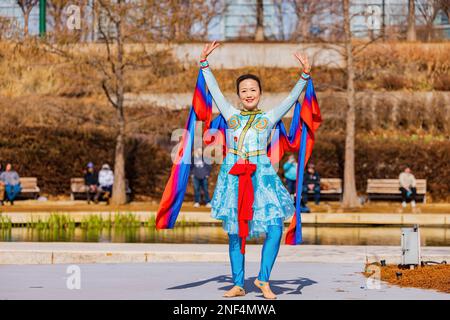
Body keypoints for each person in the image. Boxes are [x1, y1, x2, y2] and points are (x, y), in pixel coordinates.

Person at [200, 41, 311, 299]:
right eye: (243, 90)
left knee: (275, 228)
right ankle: (238, 283)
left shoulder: (268, 117)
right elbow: (214, 91)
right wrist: (204, 64)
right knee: (236, 230)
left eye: (253, 89)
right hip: (235, 175)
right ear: (238, 95)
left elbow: (292, 99)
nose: (248, 93)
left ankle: (263, 279)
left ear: (260, 92)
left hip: (262, 177)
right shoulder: (230, 115)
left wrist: (304, 75)